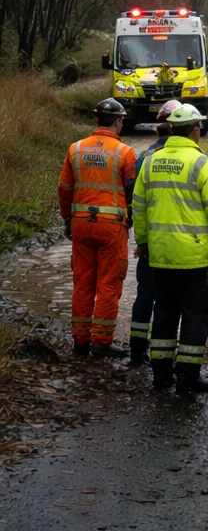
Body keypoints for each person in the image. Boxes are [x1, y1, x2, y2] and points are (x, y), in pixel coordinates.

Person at [132, 103, 208, 394]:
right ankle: (188, 379)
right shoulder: (203, 164)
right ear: (194, 130)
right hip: (194, 260)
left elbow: (138, 207)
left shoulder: (152, 161)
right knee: (195, 316)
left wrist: (143, 243)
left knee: (164, 312)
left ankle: (161, 376)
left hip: (161, 257)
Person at [58, 98, 138, 358]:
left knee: (82, 282)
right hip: (111, 227)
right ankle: (101, 343)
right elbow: (132, 191)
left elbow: (65, 189)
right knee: (108, 283)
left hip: (81, 223)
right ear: (118, 121)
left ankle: (80, 341)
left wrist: (67, 219)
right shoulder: (125, 152)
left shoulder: (76, 149)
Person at [128, 99, 182, 365]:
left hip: (149, 240)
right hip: (178, 244)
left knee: (146, 293)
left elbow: (132, 193)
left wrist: (141, 238)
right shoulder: (189, 158)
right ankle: (166, 353)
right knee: (172, 301)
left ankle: (137, 347)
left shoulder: (145, 157)